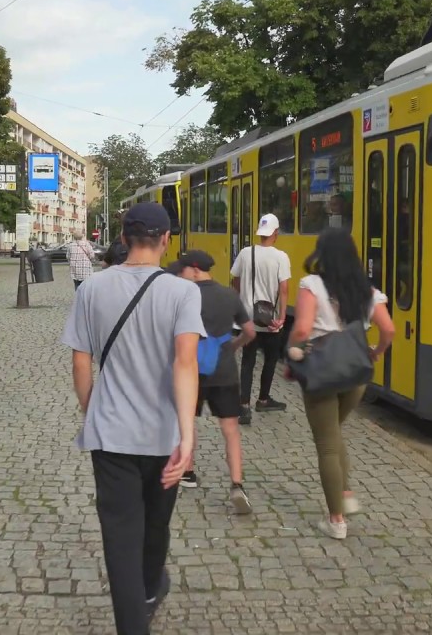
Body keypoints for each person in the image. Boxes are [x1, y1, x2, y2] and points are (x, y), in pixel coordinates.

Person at [61, 202, 203, 635]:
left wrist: (94, 412)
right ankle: (147, 591)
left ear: (123, 239)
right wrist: (187, 433)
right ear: (166, 240)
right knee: (156, 525)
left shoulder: (92, 289)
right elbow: (185, 363)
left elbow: (81, 364)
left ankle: (133, 621)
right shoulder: (183, 292)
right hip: (163, 437)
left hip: (111, 437)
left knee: (120, 538)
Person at [285, 227, 394, 539]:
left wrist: (292, 349)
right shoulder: (368, 290)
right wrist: (376, 352)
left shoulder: (312, 284)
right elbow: (389, 329)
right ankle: (345, 494)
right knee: (334, 432)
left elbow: (303, 330)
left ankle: (336, 521)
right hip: (355, 373)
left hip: (323, 371)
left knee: (327, 444)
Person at [168, 250, 256, 513]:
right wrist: (233, 347)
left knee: (187, 421)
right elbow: (250, 331)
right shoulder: (230, 295)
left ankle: (188, 473)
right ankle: (237, 484)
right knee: (230, 429)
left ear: (194, 270)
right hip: (224, 370)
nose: (181, 273)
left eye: (183, 269)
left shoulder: (183, 296)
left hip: (190, 370)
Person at [229, 213, 291, 424]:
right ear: (275, 233)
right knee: (271, 360)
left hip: (248, 319)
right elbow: (284, 290)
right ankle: (263, 399)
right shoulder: (281, 257)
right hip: (270, 320)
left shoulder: (246, 253)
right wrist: (282, 317)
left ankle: (244, 406)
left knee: (248, 361)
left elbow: (235, 280)